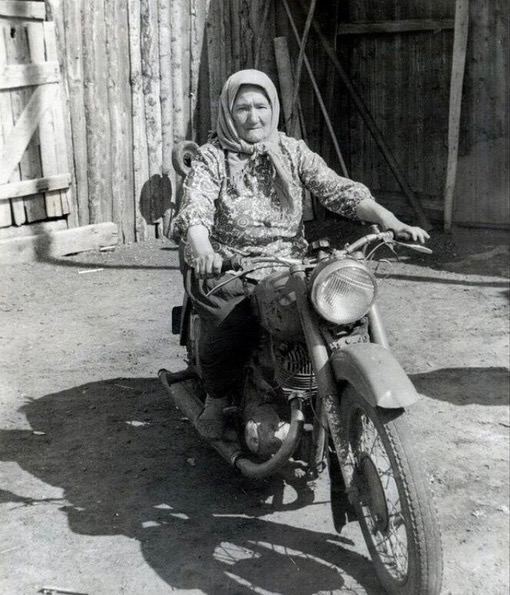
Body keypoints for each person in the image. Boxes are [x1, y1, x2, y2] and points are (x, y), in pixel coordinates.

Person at [173, 69, 429, 439]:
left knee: (341, 314)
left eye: (261, 105)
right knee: (232, 323)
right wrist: (203, 249)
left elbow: (335, 188)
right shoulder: (212, 158)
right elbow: (195, 209)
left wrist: (390, 220)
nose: (254, 116)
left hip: (289, 261)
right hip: (231, 264)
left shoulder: (292, 150)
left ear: (273, 107)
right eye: (242, 108)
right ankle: (216, 397)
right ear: (228, 112)